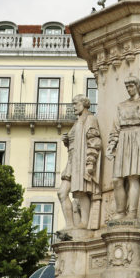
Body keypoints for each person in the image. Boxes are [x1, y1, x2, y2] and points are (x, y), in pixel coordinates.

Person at [106, 76, 140, 221]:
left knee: (133, 178)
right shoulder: (121, 105)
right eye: (127, 87)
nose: (129, 89)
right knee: (117, 179)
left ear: (138, 86)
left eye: (131, 86)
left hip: (138, 138)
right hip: (123, 138)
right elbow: (115, 127)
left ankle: (132, 213)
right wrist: (111, 144)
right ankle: (120, 211)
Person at [58, 94, 102, 229]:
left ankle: (85, 222)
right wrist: (67, 140)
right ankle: (70, 225)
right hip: (72, 161)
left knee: (81, 192)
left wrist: (90, 162)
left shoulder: (90, 119)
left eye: (76, 104)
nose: (73, 107)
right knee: (62, 193)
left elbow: (94, 141)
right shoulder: (77, 122)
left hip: (82, 160)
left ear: (84, 104)